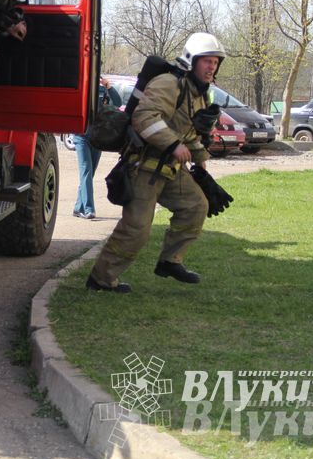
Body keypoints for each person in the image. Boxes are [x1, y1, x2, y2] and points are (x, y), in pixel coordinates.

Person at [86, 33, 225, 293]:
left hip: (171, 170)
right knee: (136, 229)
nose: (211, 67)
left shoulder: (198, 95)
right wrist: (173, 145)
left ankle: (170, 261)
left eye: (215, 63)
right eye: (207, 61)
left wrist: (201, 161)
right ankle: (101, 279)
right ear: (191, 60)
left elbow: (190, 134)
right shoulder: (168, 84)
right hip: (144, 168)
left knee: (196, 206)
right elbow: (144, 117)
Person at [73, 77, 122, 219]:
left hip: (97, 137)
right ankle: (88, 209)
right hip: (81, 136)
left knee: (89, 173)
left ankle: (78, 207)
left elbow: (118, 103)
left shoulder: (101, 90)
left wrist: (109, 87)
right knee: (86, 171)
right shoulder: (79, 88)